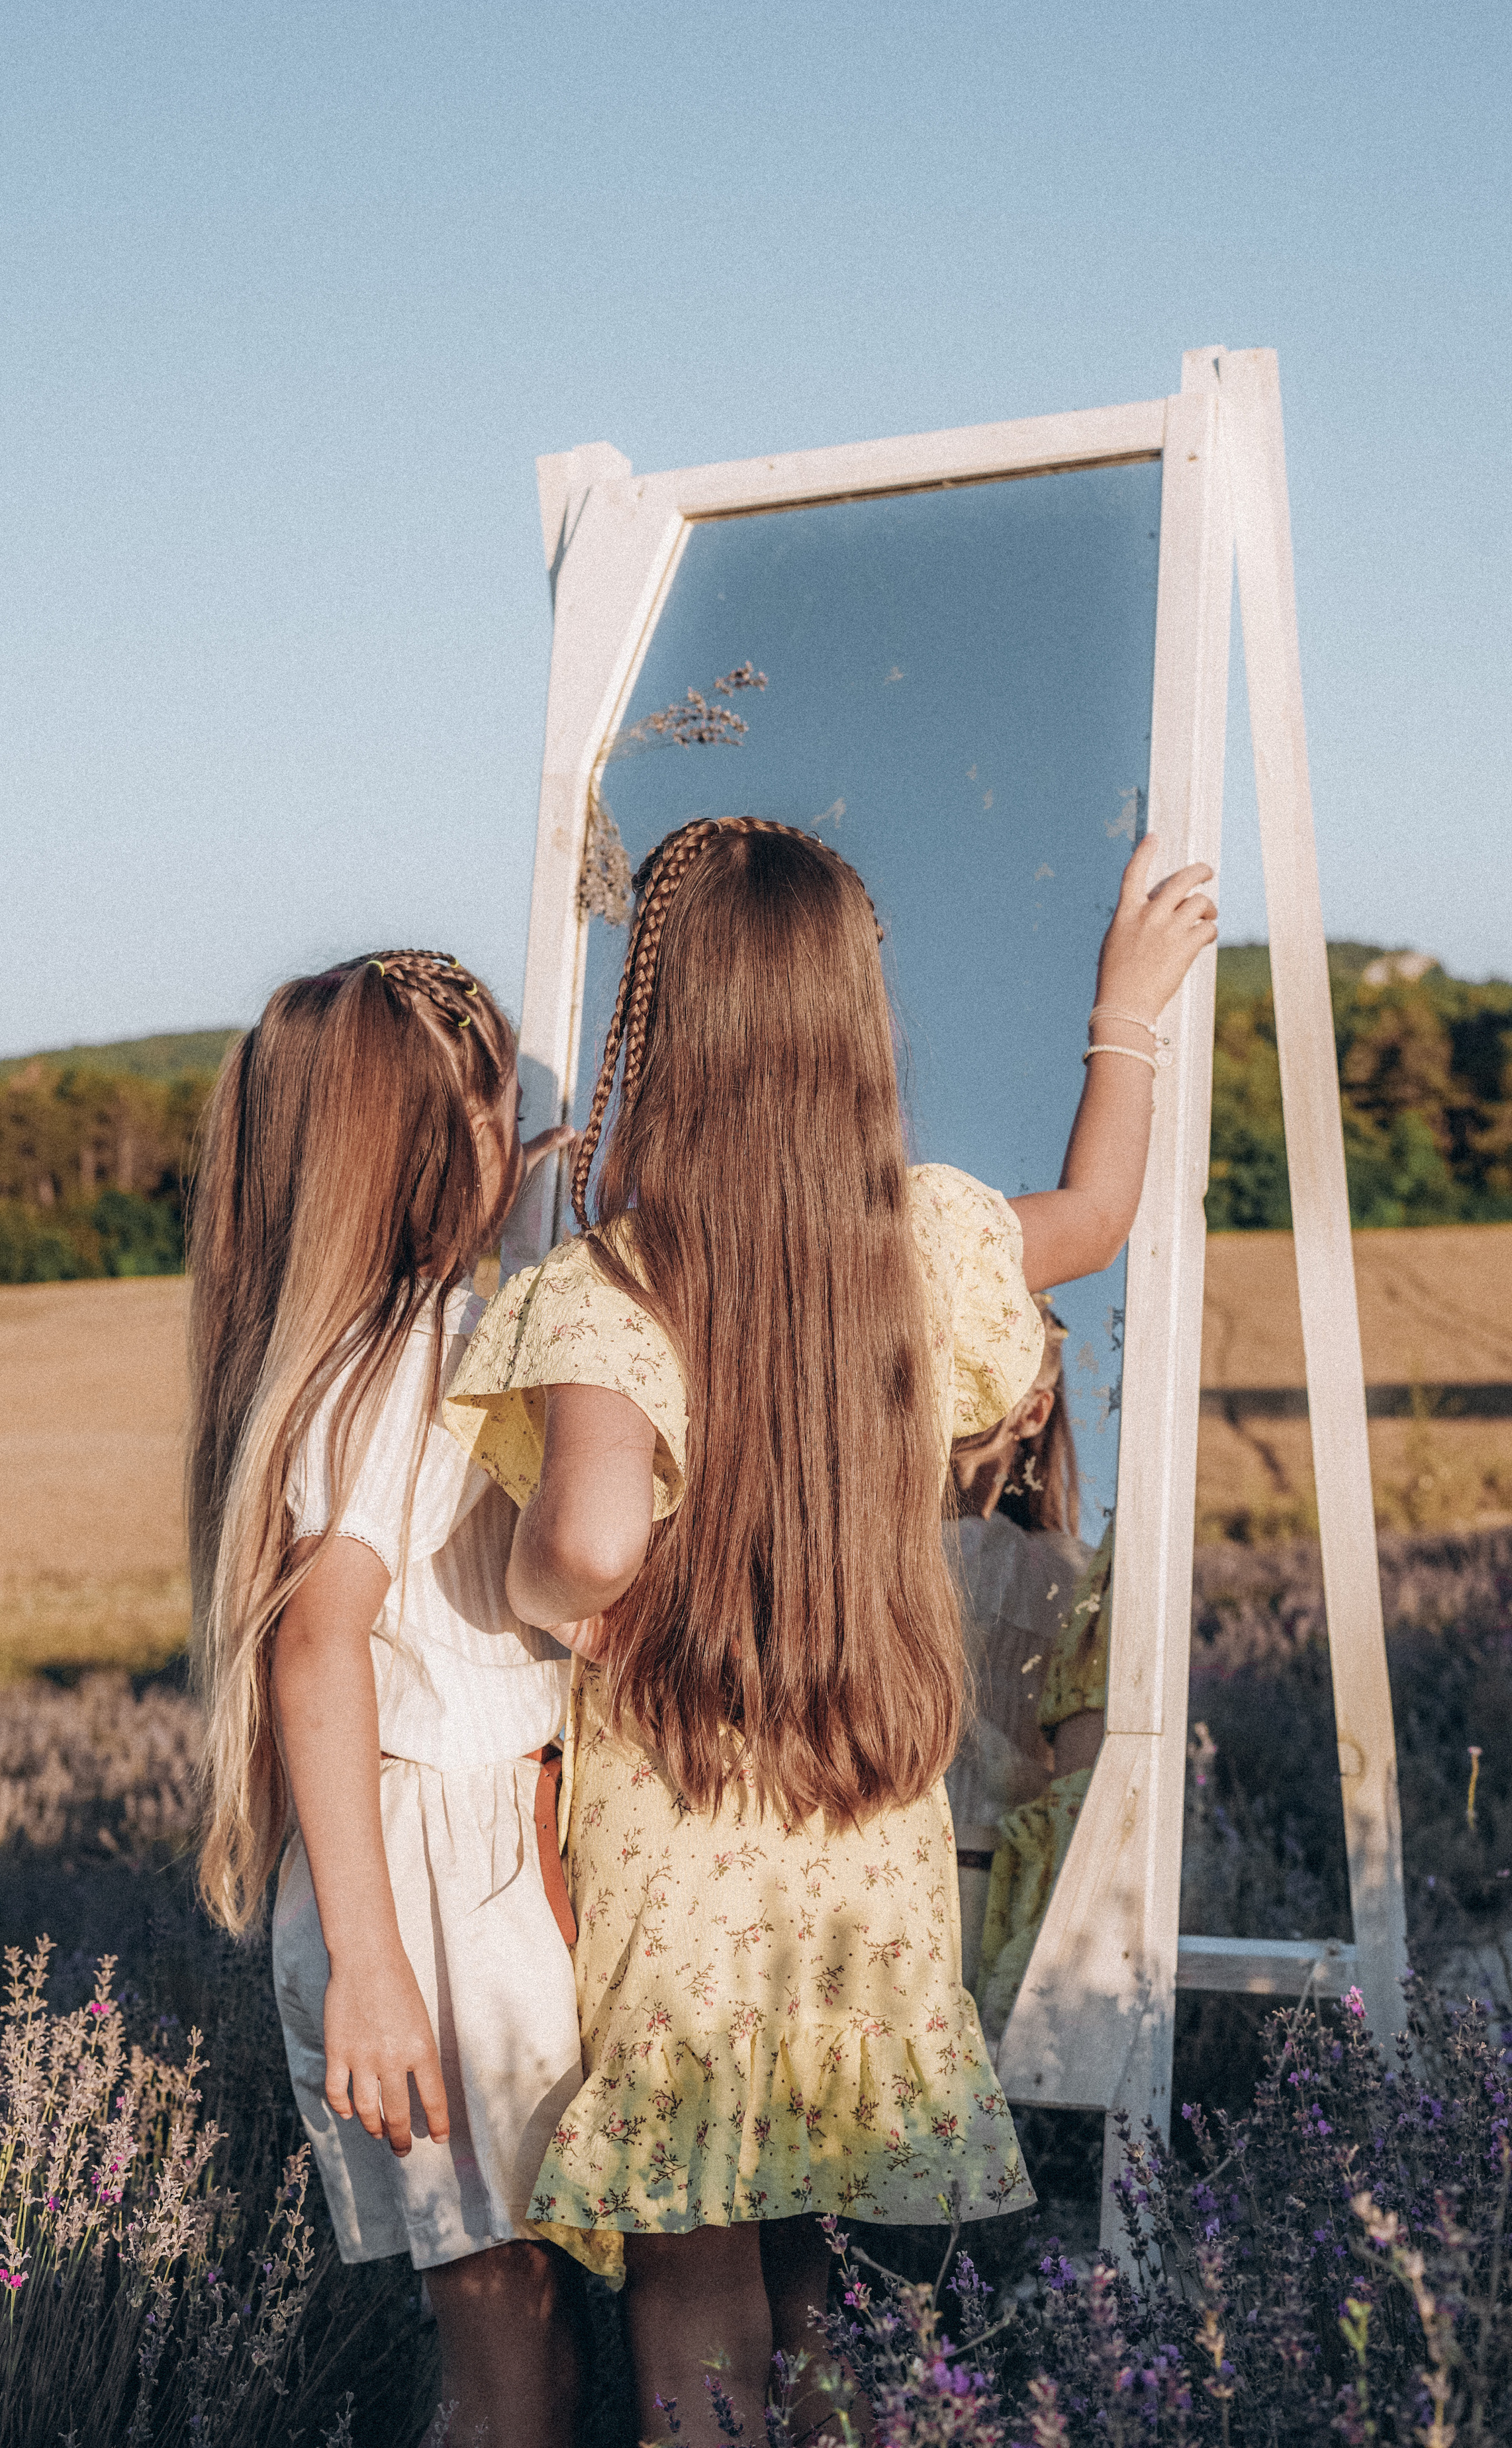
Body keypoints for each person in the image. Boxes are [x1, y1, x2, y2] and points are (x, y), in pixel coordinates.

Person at [444, 817, 1215, 2445]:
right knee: (814, 2254)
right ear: (850, 1026)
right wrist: (1124, 1006)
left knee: (697, 2251)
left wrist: (533, 1595)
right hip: (864, 1827)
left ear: (660, 1030)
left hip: (678, 1828)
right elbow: (1088, 1208)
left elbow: (581, 1538)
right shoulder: (916, 1246)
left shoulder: (611, 1287)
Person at [187, 949, 584, 2448]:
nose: (513, 1132)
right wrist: (370, 1959)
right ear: (420, 1140)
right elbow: (316, 1642)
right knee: (508, 2349)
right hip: (426, 1886)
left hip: (448, 1865)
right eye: (491, 1105)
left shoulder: (398, 1334)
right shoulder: (408, 1347)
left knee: (516, 2324)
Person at [944, 1299, 1094, 1991]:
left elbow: (1086, 1793)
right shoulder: (1068, 1572)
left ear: (1034, 1413)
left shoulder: (1062, 1574)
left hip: (987, 1897)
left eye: (976, 1383)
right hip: (864, 1895)